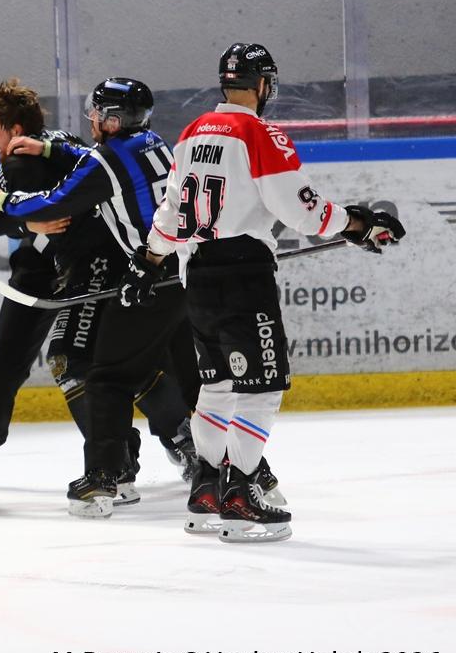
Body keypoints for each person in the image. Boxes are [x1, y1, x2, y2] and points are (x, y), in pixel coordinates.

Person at [128, 43, 404, 542]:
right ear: (263, 85)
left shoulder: (192, 132)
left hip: (198, 273)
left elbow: (169, 212)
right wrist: (357, 223)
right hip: (243, 275)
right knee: (263, 387)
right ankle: (240, 497)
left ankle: (206, 491)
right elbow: (303, 211)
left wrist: (149, 259)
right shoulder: (259, 132)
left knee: (217, 386)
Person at [0, 79, 195, 498]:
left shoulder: (25, 161)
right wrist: (23, 219)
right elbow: (72, 177)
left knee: (85, 360)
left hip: (93, 265)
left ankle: (129, 458)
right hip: (55, 268)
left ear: (13, 128)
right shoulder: (81, 144)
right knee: (12, 357)